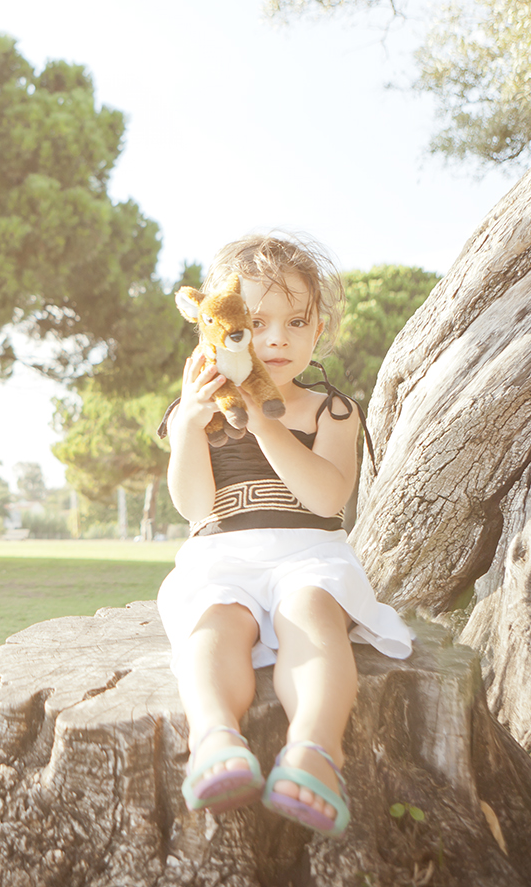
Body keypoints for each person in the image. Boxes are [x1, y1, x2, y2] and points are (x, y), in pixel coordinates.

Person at [156, 232, 414, 839]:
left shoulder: (332, 410)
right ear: (217, 328)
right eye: (256, 321)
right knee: (215, 622)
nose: (276, 338)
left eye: (296, 321)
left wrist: (264, 419)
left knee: (312, 615)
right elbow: (194, 508)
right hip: (222, 555)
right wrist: (195, 423)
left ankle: (315, 755)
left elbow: (326, 498)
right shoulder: (195, 411)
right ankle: (216, 740)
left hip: (309, 554)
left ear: (318, 328)